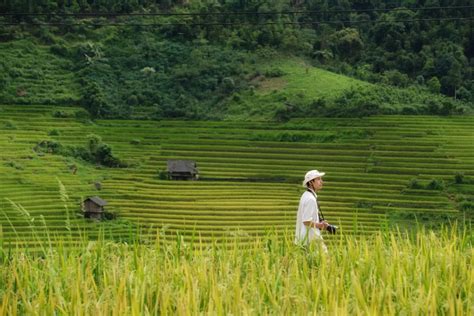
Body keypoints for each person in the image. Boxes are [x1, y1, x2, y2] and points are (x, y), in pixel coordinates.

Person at [294, 170, 331, 250]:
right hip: (311, 240)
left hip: (306, 239)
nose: (321, 182)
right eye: (318, 179)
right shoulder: (310, 199)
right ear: (311, 182)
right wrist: (321, 225)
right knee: (325, 259)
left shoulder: (306, 195)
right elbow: (306, 221)